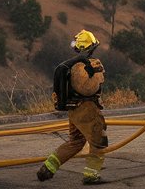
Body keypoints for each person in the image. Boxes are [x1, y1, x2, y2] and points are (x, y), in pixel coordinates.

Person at [37, 30, 108, 184]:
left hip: (74, 111)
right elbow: (94, 86)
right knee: (98, 141)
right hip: (87, 108)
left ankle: (47, 168)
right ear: (92, 46)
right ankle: (91, 175)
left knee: (76, 142)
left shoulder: (69, 66)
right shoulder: (89, 66)